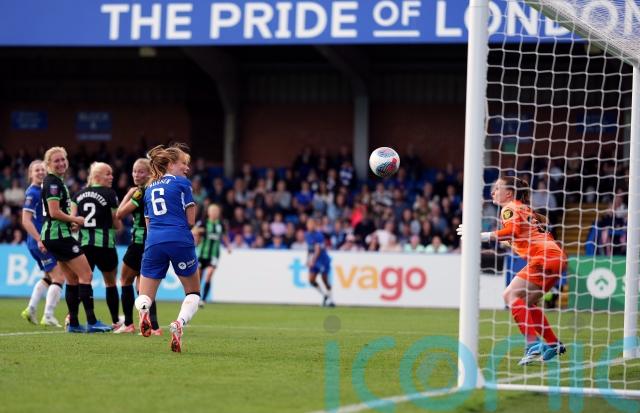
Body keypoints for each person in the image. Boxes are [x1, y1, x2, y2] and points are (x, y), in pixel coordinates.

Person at [457, 176, 567, 364]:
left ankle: (532, 344)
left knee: (510, 295)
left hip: (544, 256)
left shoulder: (509, 208)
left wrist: (481, 235)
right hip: (557, 258)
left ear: (508, 193)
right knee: (527, 303)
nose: (493, 192)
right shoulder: (523, 209)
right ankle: (553, 343)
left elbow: (512, 231)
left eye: (497, 188)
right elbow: (518, 236)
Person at [134, 144, 200, 353]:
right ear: (171, 164)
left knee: (144, 295)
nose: (187, 168)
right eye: (183, 163)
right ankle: (179, 323)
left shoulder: (149, 188)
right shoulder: (182, 183)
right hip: (179, 238)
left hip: (154, 241)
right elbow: (191, 220)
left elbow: (148, 224)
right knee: (193, 292)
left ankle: (144, 311)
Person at [40, 147, 111, 333]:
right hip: (59, 236)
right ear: (48, 164)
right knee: (86, 275)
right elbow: (54, 212)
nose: (61, 163)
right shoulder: (53, 183)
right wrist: (75, 219)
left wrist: (70, 223)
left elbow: (55, 213)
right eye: (56, 160)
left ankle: (73, 323)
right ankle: (92, 321)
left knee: (71, 279)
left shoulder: (56, 182)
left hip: (55, 235)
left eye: (63, 159)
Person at [71, 162, 122, 329]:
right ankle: (115, 320)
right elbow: (116, 222)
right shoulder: (110, 194)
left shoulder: (77, 195)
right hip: (105, 245)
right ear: (97, 176)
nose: (111, 177)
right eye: (108, 173)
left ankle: (72, 317)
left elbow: (73, 221)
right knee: (110, 282)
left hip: (84, 245)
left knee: (83, 281)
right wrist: (118, 224)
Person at [114, 158, 162, 335]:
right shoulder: (155, 190)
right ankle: (154, 326)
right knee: (144, 287)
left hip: (139, 243)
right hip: (153, 243)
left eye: (141, 171)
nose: (136, 174)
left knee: (125, 280)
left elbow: (119, 214)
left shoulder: (140, 192)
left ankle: (128, 323)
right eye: (134, 171)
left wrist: (129, 193)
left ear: (150, 173)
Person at [20, 160, 65, 327]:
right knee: (59, 276)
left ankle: (31, 309)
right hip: (39, 240)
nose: (40, 172)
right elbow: (25, 220)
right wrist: (39, 239)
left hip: (38, 240)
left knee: (48, 276)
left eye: (42, 169)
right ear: (30, 174)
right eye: (36, 170)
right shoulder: (33, 193)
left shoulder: (42, 190)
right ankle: (48, 315)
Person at [193, 204, 230, 307]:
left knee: (209, 274)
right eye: (212, 211)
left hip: (214, 254)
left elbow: (225, 236)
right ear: (208, 212)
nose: (214, 213)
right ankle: (196, 297)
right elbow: (193, 230)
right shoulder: (203, 222)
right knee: (199, 276)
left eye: (216, 211)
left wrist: (228, 246)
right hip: (202, 253)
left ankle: (204, 299)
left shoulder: (221, 224)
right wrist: (200, 231)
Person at [305, 217, 335, 307]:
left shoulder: (319, 235)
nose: (310, 226)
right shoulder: (307, 235)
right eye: (308, 224)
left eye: (311, 224)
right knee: (311, 280)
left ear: (315, 225)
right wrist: (307, 260)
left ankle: (331, 300)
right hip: (314, 260)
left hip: (323, 260)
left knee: (324, 280)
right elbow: (310, 249)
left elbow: (318, 250)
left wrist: (312, 261)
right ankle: (325, 295)